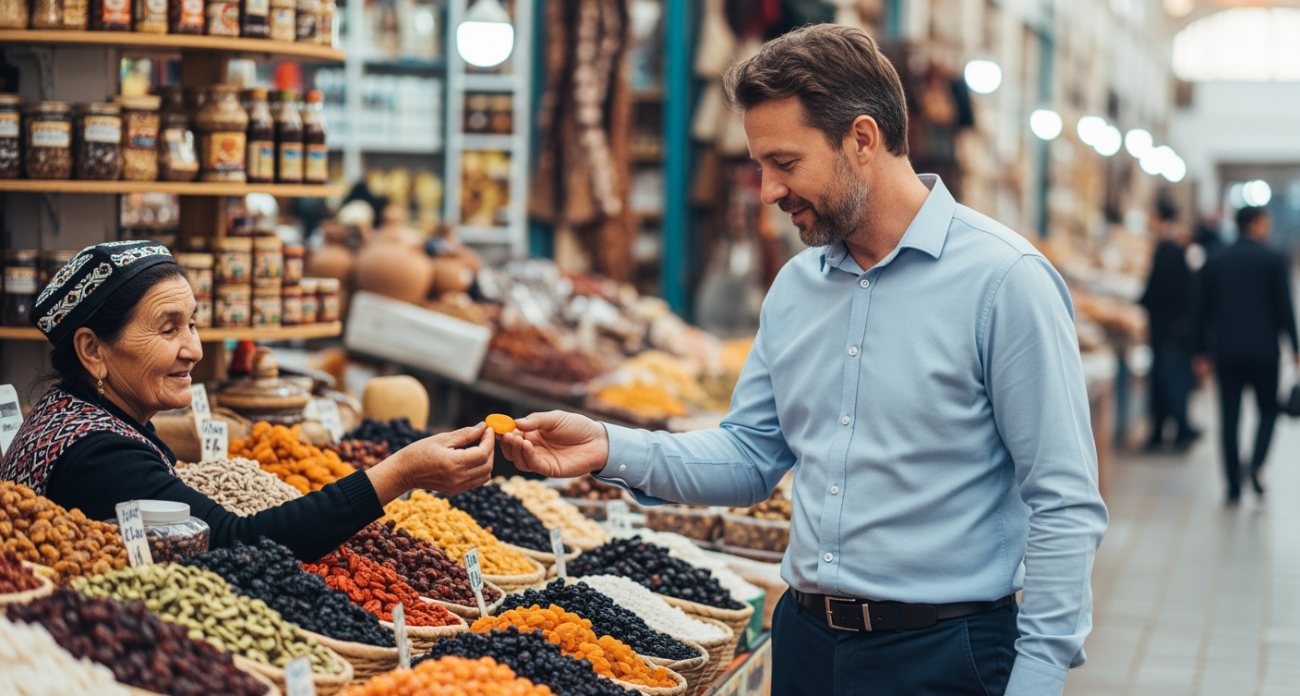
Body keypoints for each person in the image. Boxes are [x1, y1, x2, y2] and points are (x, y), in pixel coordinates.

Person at [501, 25, 1107, 696]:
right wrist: (610, 448)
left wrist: (1041, 674)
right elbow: (751, 456)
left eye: (784, 163)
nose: (766, 190)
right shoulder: (796, 287)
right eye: (760, 165)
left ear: (863, 139)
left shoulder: (1005, 281)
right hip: (805, 648)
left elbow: (1064, 500)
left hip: (945, 656)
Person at [0, 241, 496, 561]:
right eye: (167, 328)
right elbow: (237, 544)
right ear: (93, 350)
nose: (193, 349)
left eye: (191, 323)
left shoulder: (76, 412)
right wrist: (400, 473)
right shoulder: (96, 454)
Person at [1193, 206, 1298, 503]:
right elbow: (1284, 306)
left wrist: (1200, 351)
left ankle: (1232, 483)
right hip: (1265, 351)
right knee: (1268, 411)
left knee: (1229, 417)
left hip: (1226, 351)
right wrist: (1296, 347)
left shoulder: (1216, 259)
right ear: (1256, 224)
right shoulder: (1274, 259)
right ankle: (1255, 464)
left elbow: (1202, 311)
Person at [1139, 194, 1199, 450]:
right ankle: (1166, 432)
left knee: (1168, 380)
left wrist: (1140, 301)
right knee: (1166, 380)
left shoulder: (1169, 249)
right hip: (1171, 328)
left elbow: (1162, 291)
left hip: (1169, 330)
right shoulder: (1175, 248)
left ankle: (1180, 431)